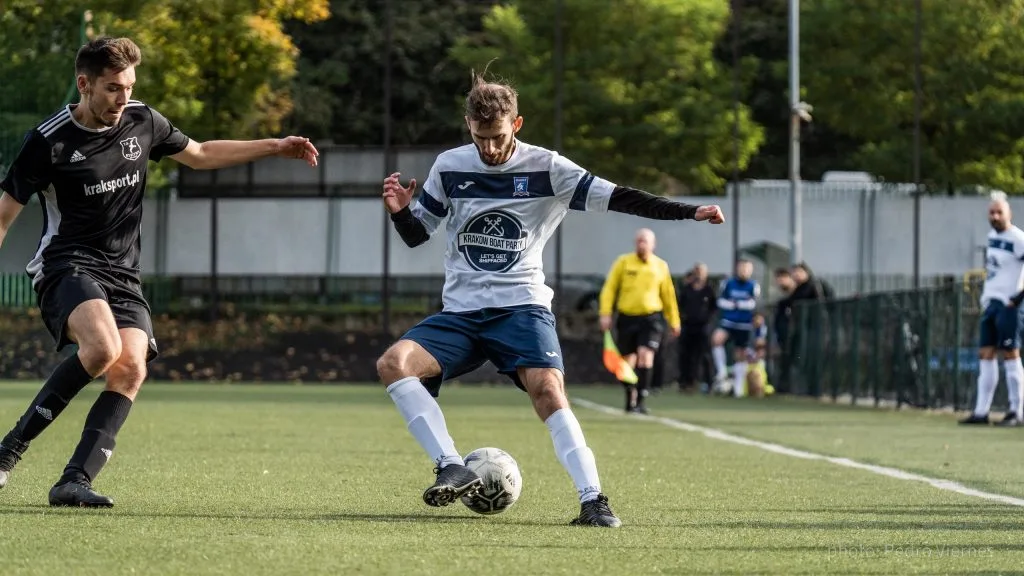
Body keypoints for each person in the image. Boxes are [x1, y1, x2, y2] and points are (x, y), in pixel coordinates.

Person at [376, 74, 724, 528]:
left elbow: (618, 196)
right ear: (468, 126)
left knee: (548, 391)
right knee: (393, 364)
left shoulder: (549, 167)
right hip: (460, 313)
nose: (489, 148)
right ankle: (450, 465)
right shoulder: (450, 166)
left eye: (498, 137)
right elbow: (418, 234)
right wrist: (402, 211)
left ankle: (593, 500)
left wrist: (688, 211)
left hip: (521, 307)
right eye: (480, 138)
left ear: (516, 123)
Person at [0, 37, 319, 507]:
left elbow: (202, 153)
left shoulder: (142, 121)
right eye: (112, 88)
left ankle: (74, 481)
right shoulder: (48, 142)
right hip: (65, 264)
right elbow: (5, 213)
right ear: (84, 85)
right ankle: (8, 452)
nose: (122, 97)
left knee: (130, 367)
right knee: (103, 348)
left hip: (122, 273)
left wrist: (275, 145)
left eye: (128, 86)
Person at [598, 228, 681, 414]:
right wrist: (605, 313)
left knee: (646, 355)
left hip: (651, 318)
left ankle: (642, 399)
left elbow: (668, 295)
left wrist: (674, 321)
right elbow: (610, 289)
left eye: (645, 241)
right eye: (639, 241)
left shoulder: (660, 266)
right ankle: (630, 398)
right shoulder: (623, 262)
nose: (641, 244)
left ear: (653, 244)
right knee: (627, 361)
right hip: (627, 318)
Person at [960, 193, 1024, 427]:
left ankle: (1016, 412)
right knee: (986, 354)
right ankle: (981, 411)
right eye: (992, 212)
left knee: (1010, 354)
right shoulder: (991, 237)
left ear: (1009, 214)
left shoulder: (1018, 239)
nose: (995, 216)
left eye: (1000, 212)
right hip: (991, 304)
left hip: (1009, 305)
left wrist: (1017, 299)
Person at [711, 259, 760, 397]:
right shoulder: (728, 283)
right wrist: (732, 305)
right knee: (717, 340)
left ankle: (738, 388)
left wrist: (737, 304)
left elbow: (753, 304)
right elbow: (721, 301)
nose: (744, 271)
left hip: (744, 324)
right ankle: (722, 372)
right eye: (742, 268)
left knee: (740, 354)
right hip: (728, 321)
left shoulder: (753, 285)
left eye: (747, 268)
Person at [677, 262, 717, 393]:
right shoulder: (687, 289)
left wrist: (708, 320)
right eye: (697, 271)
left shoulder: (709, 290)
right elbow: (680, 305)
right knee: (686, 355)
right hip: (688, 326)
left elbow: (714, 308)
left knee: (706, 355)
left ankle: (709, 382)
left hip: (703, 327)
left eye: (701, 271)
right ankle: (686, 382)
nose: (699, 274)